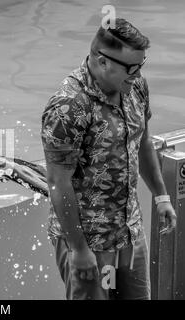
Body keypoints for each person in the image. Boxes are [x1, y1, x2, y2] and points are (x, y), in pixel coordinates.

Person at [41, 18, 176, 300]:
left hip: (129, 233)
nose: (138, 74)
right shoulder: (68, 105)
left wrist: (161, 196)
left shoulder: (135, 87)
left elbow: (143, 143)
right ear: (103, 62)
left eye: (142, 65)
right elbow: (58, 182)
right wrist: (78, 249)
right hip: (91, 244)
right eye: (132, 68)